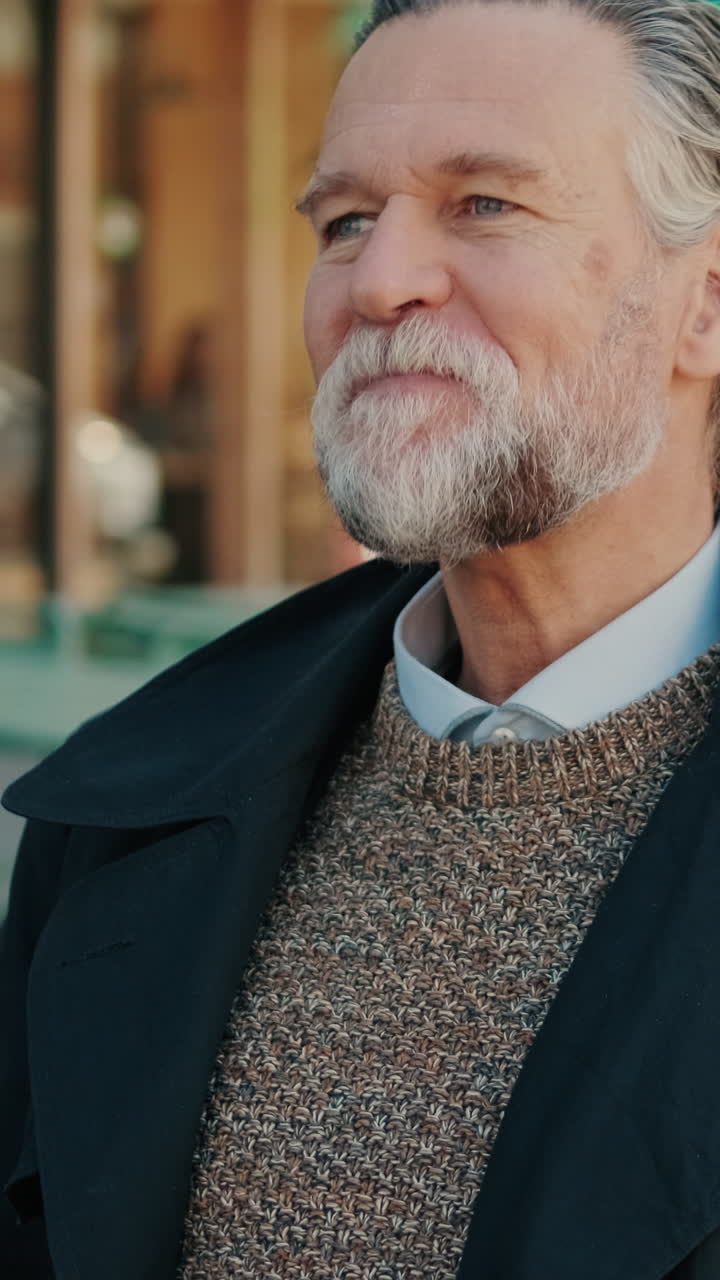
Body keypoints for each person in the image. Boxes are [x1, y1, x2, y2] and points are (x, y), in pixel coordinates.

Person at [3, 0, 720, 1275]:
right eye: (345, 222)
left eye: (484, 205)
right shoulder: (122, 810)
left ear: (706, 303)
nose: (380, 280)